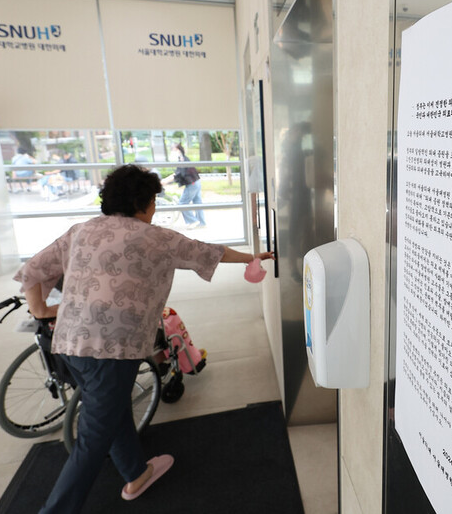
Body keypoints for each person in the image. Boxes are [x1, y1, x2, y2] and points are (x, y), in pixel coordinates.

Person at [14, 164, 273, 513]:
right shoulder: (157, 238)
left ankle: (136, 473)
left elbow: (32, 270)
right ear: (142, 202)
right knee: (92, 441)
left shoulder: (81, 230)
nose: (154, 208)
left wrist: (42, 310)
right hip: (113, 350)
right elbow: (210, 251)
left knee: (113, 409)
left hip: (69, 344)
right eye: (153, 201)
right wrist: (252, 258)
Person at [171, 142, 206, 229]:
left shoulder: (182, 160)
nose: (172, 152)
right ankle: (201, 223)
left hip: (192, 184)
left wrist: (166, 181)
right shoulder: (183, 158)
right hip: (196, 182)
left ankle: (192, 221)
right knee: (197, 203)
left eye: (173, 150)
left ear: (178, 150)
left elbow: (178, 174)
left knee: (182, 203)